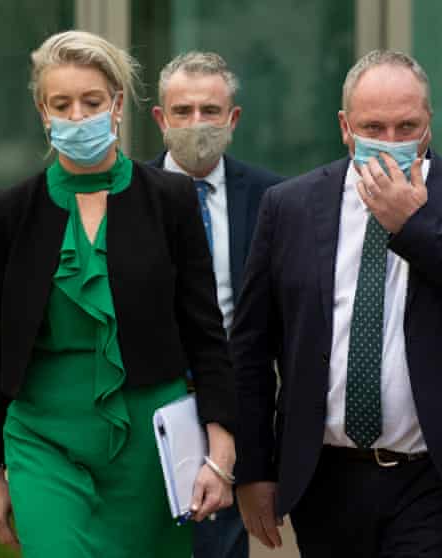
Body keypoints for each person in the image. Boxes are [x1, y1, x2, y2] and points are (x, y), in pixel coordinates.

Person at [231, 49, 442, 557]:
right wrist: (254, 468)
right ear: (345, 127)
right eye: (374, 127)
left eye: (406, 126)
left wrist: (415, 228)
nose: (390, 143)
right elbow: (252, 347)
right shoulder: (290, 206)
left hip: (434, 476)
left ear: (429, 124)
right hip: (325, 476)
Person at [0, 30, 237, 558]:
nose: (76, 116)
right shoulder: (11, 210)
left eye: (91, 102)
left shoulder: (170, 199)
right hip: (43, 439)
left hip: (149, 446)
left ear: (117, 106)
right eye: (60, 104)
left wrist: (220, 452)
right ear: (42, 111)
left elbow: (205, 334)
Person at [149, 50, 284, 558]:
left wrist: (262, 460)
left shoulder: (273, 197)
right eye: (182, 111)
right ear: (161, 118)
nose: (196, 123)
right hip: (147, 403)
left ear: (234, 118)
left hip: (234, 406)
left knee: (219, 547)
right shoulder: (129, 197)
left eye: (210, 110)